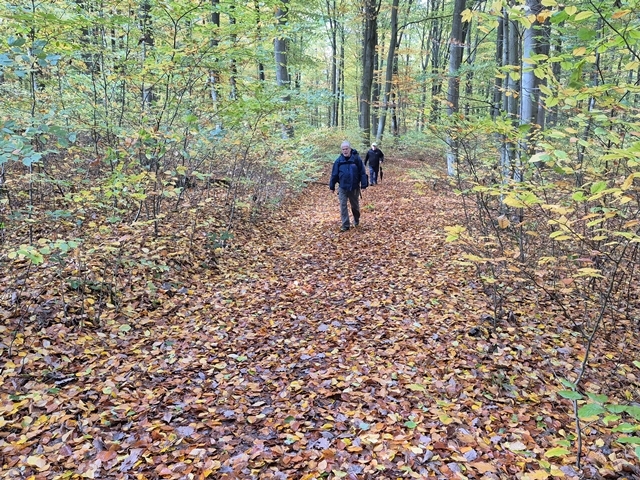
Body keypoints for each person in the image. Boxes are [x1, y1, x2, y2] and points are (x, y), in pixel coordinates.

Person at [329, 141, 366, 231]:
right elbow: (334, 174)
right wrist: (332, 186)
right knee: (343, 206)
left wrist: (364, 185)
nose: (345, 151)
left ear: (350, 149)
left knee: (355, 206)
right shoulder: (338, 161)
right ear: (341, 150)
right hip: (342, 187)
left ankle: (356, 220)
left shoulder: (356, 159)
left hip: (354, 187)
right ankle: (345, 225)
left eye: (346, 149)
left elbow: (362, 172)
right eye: (343, 149)